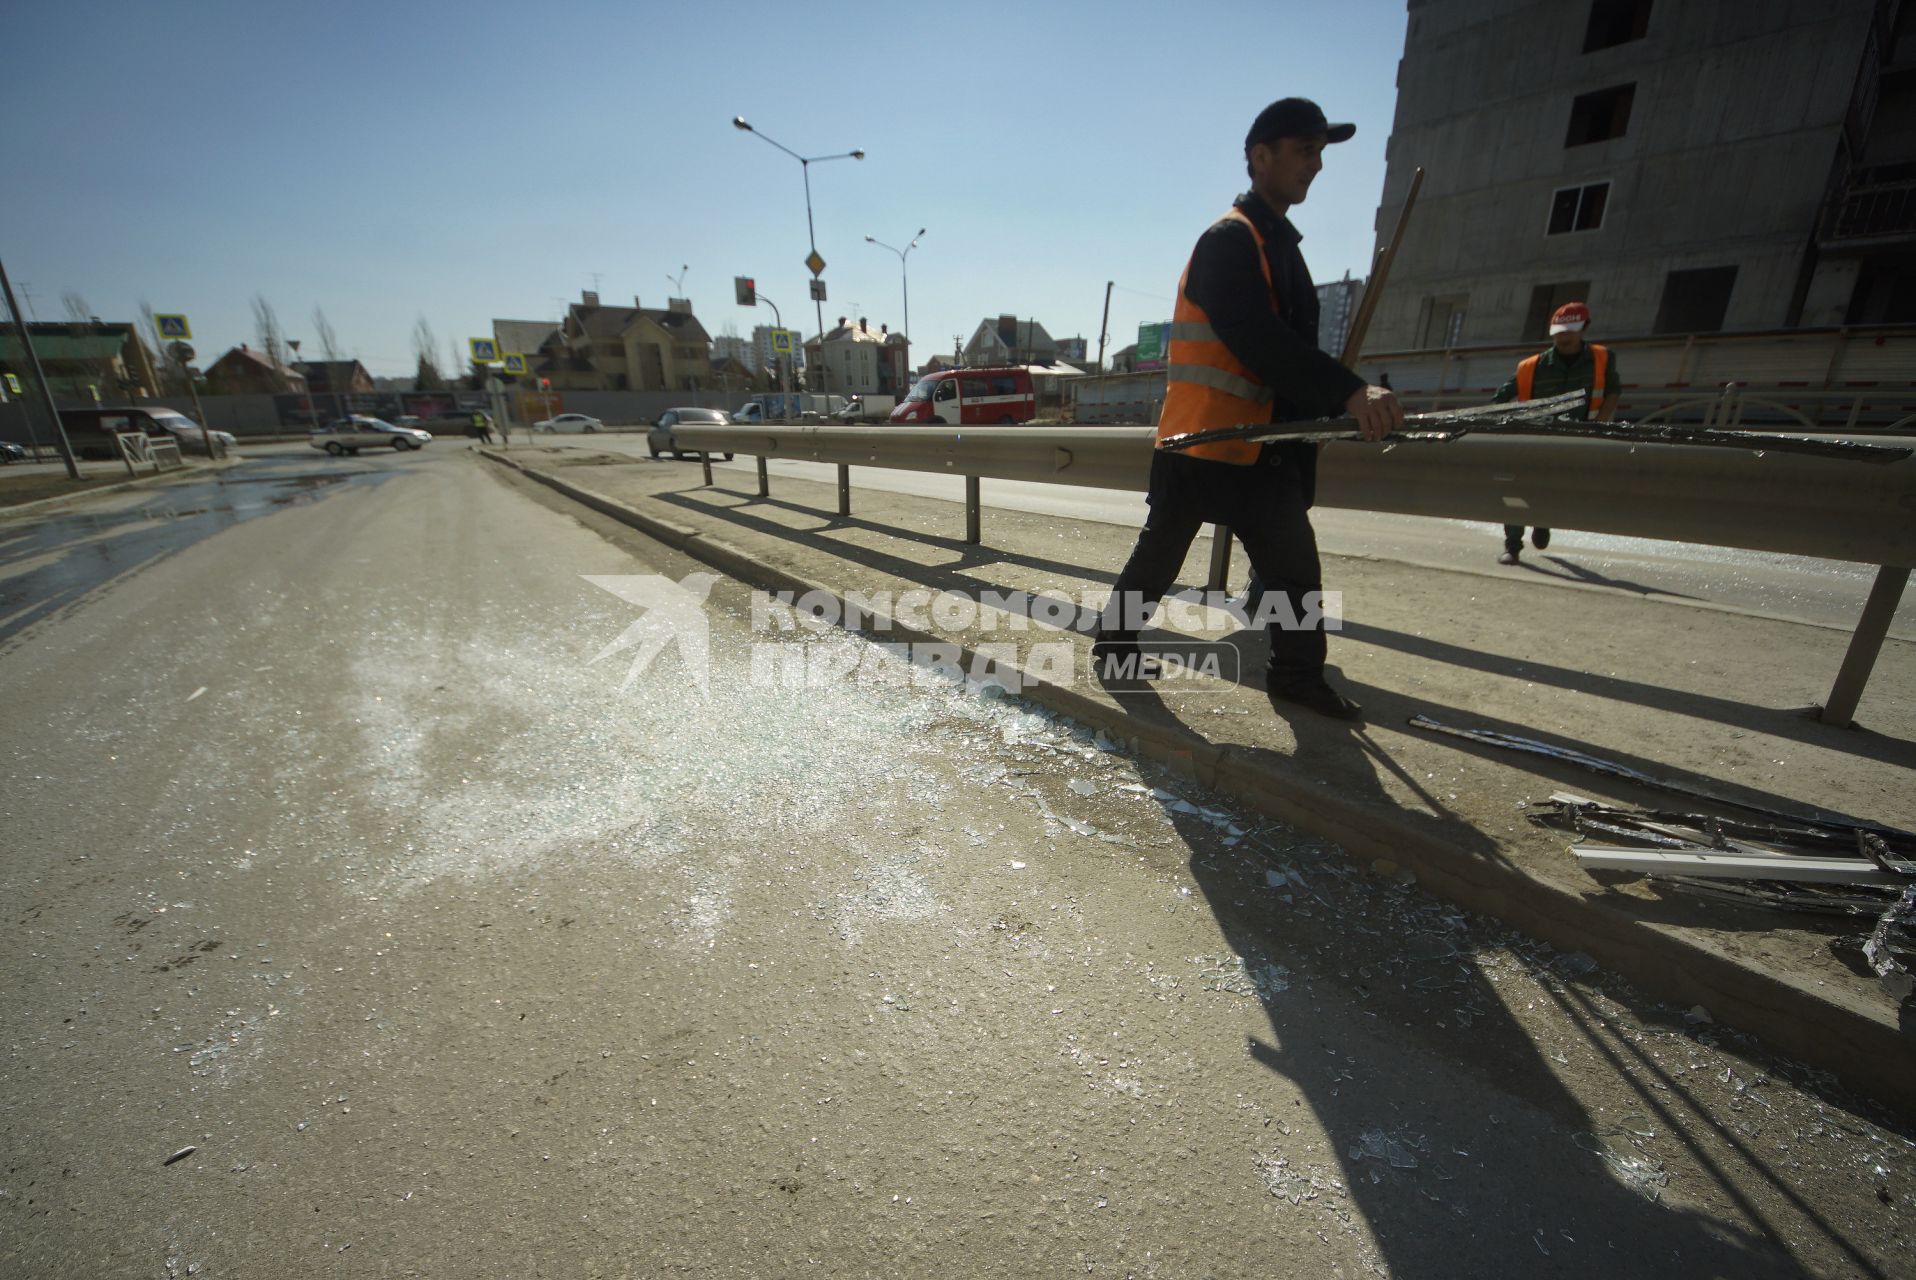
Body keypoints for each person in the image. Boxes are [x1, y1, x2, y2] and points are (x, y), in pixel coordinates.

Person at [1092, 97, 1402, 721]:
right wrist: (1346, 389)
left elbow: (1281, 350)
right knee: (1162, 556)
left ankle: (1295, 675)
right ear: (1262, 157)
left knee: (1292, 568)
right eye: (1304, 150)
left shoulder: (1276, 243)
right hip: (1203, 441)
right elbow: (1257, 338)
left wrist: (1319, 417)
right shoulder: (1232, 240)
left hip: (1260, 449)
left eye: (1320, 153)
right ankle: (1115, 644)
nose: (1315, 165)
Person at [1492, 301, 1618, 564]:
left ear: (1584, 328)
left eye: (1570, 330)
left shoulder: (1600, 359)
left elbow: (1613, 391)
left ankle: (1542, 521)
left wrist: (1600, 427)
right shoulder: (1533, 366)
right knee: (1517, 487)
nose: (1564, 336)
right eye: (1560, 331)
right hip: (1532, 438)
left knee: (1551, 488)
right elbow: (1502, 397)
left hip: (1573, 440)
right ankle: (1512, 545)